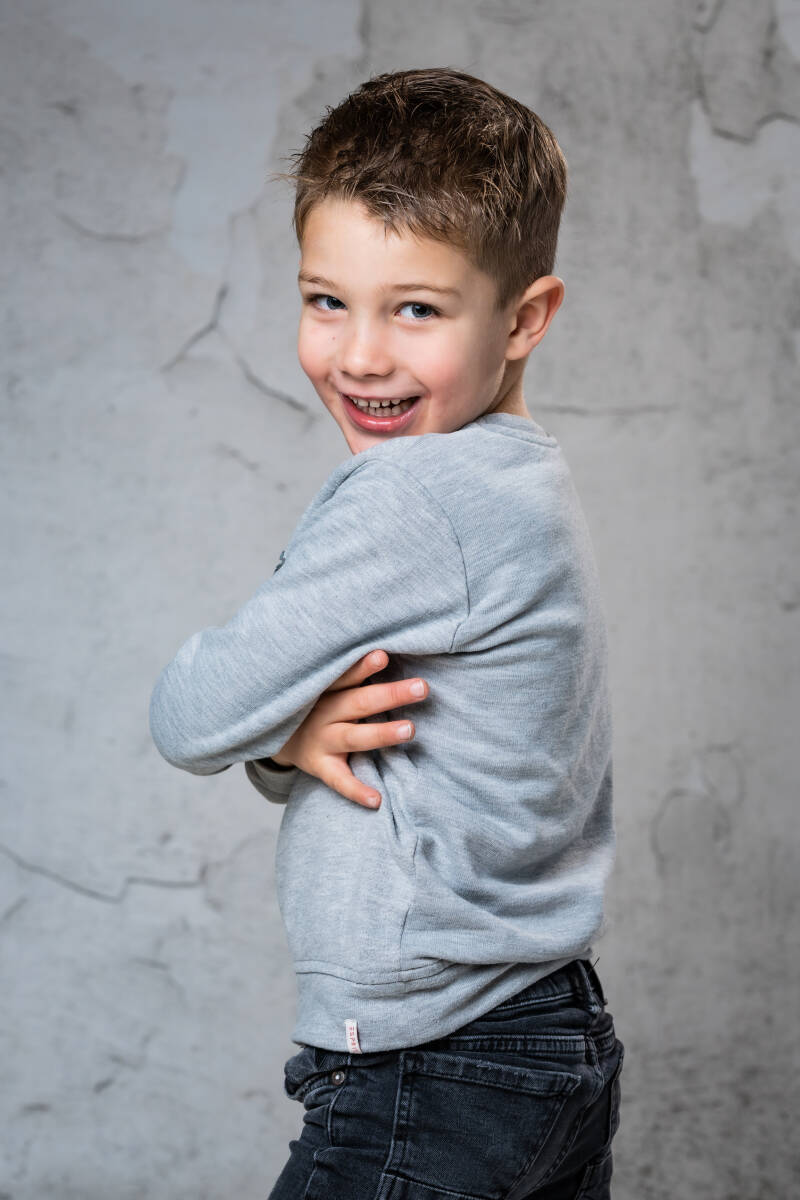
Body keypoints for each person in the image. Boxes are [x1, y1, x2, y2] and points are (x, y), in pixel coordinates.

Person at [149, 67, 624, 1199]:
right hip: (545, 1035)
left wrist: (266, 729)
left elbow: (192, 714)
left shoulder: (413, 496)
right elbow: (395, 751)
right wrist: (289, 741)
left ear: (525, 318)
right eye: (326, 300)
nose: (360, 354)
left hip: (432, 1060)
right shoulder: (521, 485)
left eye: (415, 309)